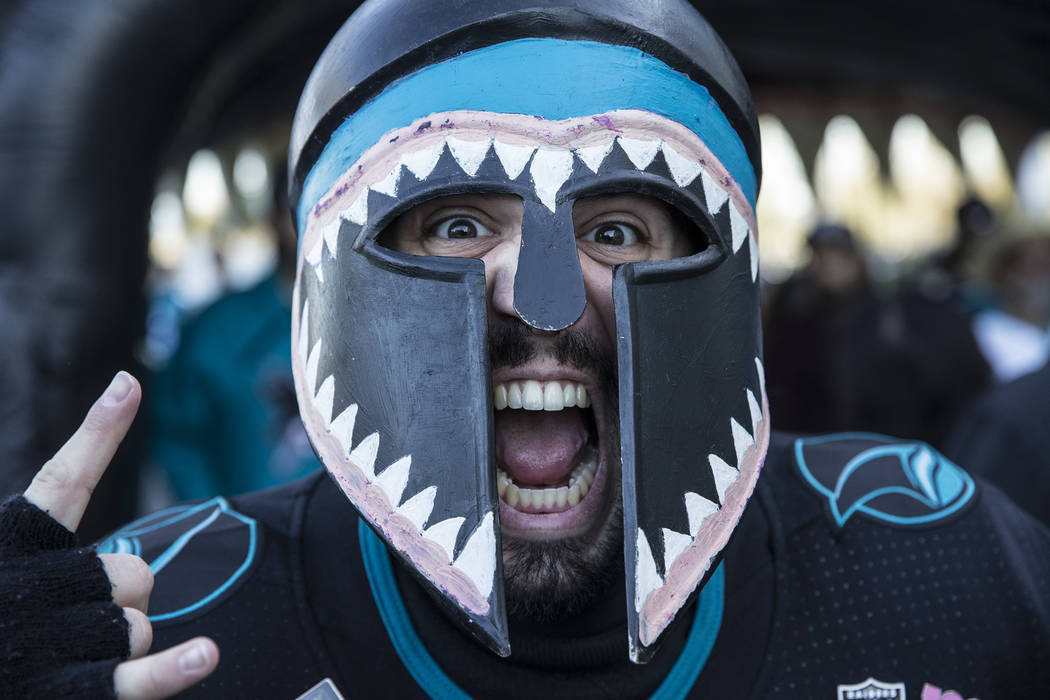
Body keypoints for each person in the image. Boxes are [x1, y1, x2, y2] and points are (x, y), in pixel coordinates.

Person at [3, 1, 1049, 698]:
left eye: (618, 228)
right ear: (330, 278)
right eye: (456, 226)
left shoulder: (944, 563)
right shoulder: (167, 630)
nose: (544, 303)